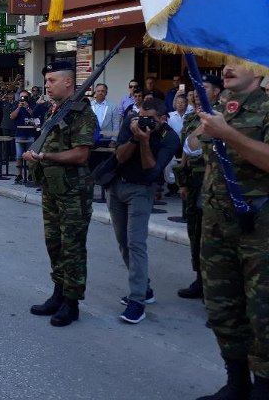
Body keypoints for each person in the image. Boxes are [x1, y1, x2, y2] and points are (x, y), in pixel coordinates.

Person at [188, 64, 269, 399]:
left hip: (259, 229)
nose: (227, 67)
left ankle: (263, 387)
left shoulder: (265, 110)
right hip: (217, 224)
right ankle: (236, 383)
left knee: (262, 313)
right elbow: (198, 151)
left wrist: (229, 134)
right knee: (223, 308)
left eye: (239, 60)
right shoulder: (220, 109)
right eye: (225, 61)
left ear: (261, 71)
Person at [23, 61, 97, 327]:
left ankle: (72, 302)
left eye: (52, 80)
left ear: (68, 82)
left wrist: (45, 156)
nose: (47, 85)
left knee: (72, 247)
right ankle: (57, 293)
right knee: (54, 243)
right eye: (47, 80)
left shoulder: (82, 113)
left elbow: (81, 154)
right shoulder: (53, 111)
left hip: (73, 192)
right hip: (52, 188)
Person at [108, 97, 180, 324]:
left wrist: (145, 141)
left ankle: (137, 300)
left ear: (162, 118)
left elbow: (152, 169)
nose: (144, 122)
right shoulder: (131, 122)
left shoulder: (170, 137)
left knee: (136, 242)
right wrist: (134, 137)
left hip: (142, 189)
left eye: (150, 119)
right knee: (122, 241)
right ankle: (145, 288)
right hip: (117, 185)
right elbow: (119, 156)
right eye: (141, 116)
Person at [173, 75, 222, 299]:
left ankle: (216, 288)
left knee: (212, 238)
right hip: (193, 184)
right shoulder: (193, 118)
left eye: (205, 87)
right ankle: (200, 279)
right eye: (196, 88)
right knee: (195, 232)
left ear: (217, 92)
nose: (197, 92)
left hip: (213, 185)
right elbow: (185, 152)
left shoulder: (222, 117)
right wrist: (182, 182)